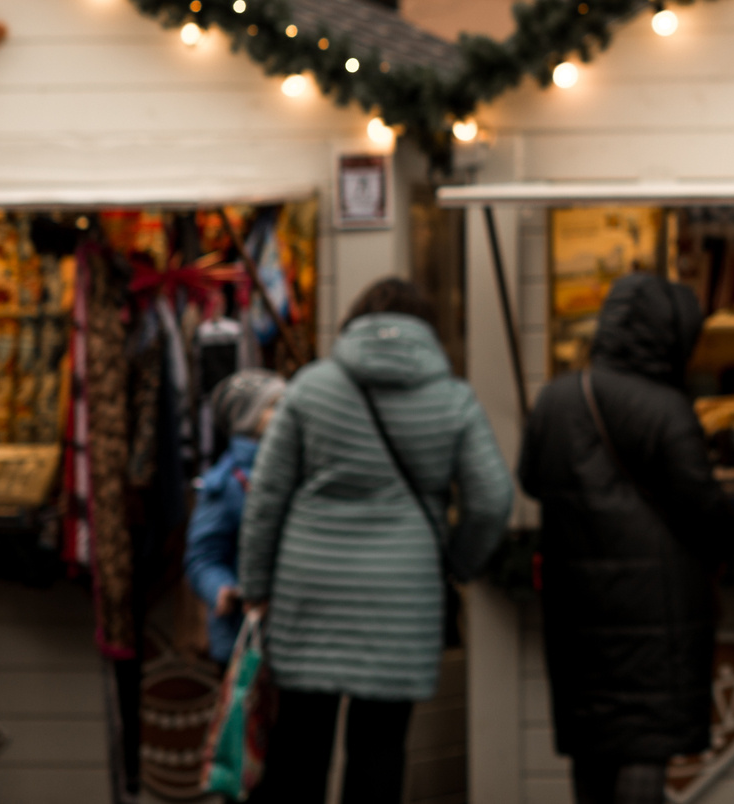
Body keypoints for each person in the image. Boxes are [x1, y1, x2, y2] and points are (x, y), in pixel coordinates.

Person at [238, 278, 511, 804]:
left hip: (308, 591)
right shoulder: (453, 399)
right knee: (380, 746)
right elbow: (492, 499)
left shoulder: (310, 389)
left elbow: (266, 499)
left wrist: (255, 584)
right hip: (402, 596)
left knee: (300, 743)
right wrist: (457, 562)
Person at [518, 273, 734, 804]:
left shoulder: (557, 398)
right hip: (656, 610)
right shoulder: (666, 410)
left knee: (592, 745)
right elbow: (705, 512)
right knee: (645, 744)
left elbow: (529, 480)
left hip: (576, 607)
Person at [185, 370, 287, 663]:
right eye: (272, 406)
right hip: (244, 637)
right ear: (246, 418)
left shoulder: (300, 469)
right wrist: (222, 589)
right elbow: (203, 556)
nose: (284, 413)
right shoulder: (226, 483)